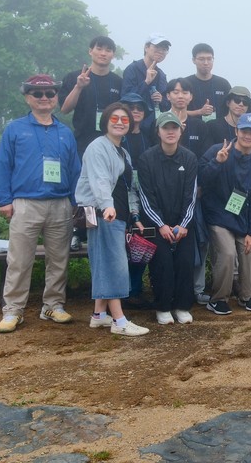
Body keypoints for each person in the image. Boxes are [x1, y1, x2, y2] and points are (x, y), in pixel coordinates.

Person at [0, 74, 81, 333]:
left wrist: (77, 201)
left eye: (50, 94)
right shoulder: (15, 129)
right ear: (27, 97)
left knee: (59, 259)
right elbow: (3, 165)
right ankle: (13, 310)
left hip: (60, 203)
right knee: (19, 260)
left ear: (56, 97)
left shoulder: (65, 132)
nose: (44, 98)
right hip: (25, 203)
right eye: (37, 93)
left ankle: (53, 305)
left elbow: (75, 169)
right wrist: (4, 200)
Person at [75, 102, 149, 336]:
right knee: (113, 265)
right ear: (105, 121)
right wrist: (107, 207)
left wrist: (135, 214)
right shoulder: (98, 147)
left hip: (119, 216)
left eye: (124, 119)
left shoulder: (122, 151)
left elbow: (129, 187)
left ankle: (99, 315)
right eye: (114, 118)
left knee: (104, 262)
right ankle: (119, 321)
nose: (119, 122)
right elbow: (100, 181)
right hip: (103, 215)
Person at [198, 112, 251, 314]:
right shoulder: (218, 151)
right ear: (236, 131)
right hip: (217, 215)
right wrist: (217, 162)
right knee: (227, 253)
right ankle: (218, 298)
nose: (248, 136)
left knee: (248, 250)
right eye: (244, 131)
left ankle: (246, 296)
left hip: (240, 218)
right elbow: (201, 180)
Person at [137, 112, 198, 325]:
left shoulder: (189, 158)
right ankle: (162, 307)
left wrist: (183, 225)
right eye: (165, 128)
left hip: (183, 224)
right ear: (158, 131)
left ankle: (182, 306)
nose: (170, 132)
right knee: (162, 263)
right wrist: (161, 225)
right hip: (156, 224)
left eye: (174, 128)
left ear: (181, 131)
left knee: (184, 262)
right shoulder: (146, 159)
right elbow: (146, 197)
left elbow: (191, 197)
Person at [58, 35, 123, 154]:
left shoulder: (118, 82)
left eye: (108, 50)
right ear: (90, 51)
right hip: (82, 143)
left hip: (111, 144)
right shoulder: (74, 77)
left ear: (113, 55)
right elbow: (65, 109)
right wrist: (78, 87)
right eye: (99, 49)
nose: (103, 53)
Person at [120, 92, 155, 308]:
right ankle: (122, 291)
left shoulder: (148, 136)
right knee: (122, 243)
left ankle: (136, 289)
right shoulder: (118, 136)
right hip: (120, 194)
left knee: (141, 240)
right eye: (131, 107)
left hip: (144, 192)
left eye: (139, 108)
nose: (135, 111)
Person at [122, 34, 171, 128]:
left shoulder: (161, 75)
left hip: (154, 126)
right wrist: (146, 82)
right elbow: (125, 98)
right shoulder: (132, 69)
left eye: (164, 49)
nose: (161, 51)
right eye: (157, 47)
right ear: (146, 47)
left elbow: (167, 104)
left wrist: (161, 100)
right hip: (132, 125)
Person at [186, 43, 232, 123]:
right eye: (201, 59)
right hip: (191, 129)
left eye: (209, 59)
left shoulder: (223, 84)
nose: (206, 63)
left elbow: (232, 109)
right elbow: (175, 112)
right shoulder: (186, 83)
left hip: (218, 131)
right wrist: (199, 112)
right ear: (194, 60)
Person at [166, 78, 209, 159]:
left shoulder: (199, 125)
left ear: (191, 97)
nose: (180, 96)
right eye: (175, 92)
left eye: (185, 93)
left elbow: (204, 157)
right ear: (168, 96)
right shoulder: (159, 123)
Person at [205, 86, 251, 151]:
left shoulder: (250, 130)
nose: (241, 104)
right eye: (237, 100)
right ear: (228, 103)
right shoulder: (212, 126)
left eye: (245, 102)